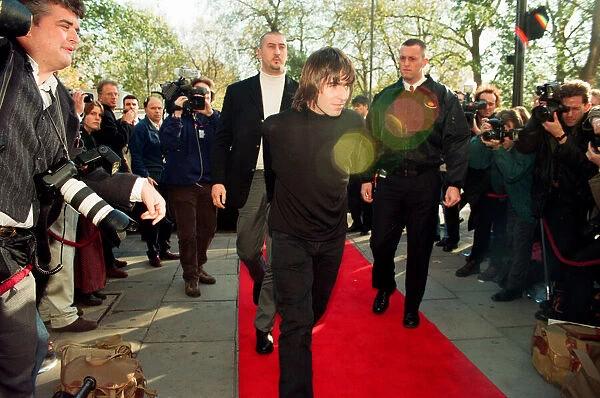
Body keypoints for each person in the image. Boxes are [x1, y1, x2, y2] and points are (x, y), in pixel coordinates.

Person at [0, 1, 165, 395]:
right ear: (24, 23)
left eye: (77, 27)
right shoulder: (4, 66)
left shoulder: (58, 98)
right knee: (25, 353)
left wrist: (131, 190)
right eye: (64, 25)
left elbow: (64, 173)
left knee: (28, 352)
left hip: (17, 253)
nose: (76, 36)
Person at [263, 46, 366, 398]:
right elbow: (273, 183)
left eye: (347, 85)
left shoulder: (353, 121)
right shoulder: (277, 127)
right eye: (334, 84)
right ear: (311, 83)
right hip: (290, 236)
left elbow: (356, 164)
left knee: (313, 312)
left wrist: (366, 179)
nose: (343, 94)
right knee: (297, 324)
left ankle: (295, 313)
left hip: (332, 236)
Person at [361, 38, 469, 328]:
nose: (406, 64)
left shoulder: (443, 96)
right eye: (402, 59)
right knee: (380, 241)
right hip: (390, 181)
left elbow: (457, 141)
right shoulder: (386, 96)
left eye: (412, 59)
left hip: (425, 182)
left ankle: (412, 305)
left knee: (420, 246)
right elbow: (371, 138)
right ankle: (385, 287)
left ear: (424, 61)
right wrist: (366, 177)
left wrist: (454, 183)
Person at [211, 31, 298, 354]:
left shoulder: (300, 91)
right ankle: (260, 276)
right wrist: (218, 180)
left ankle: (263, 327)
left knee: (277, 258)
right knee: (247, 248)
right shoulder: (238, 92)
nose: (277, 52)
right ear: (259, 52)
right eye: (271, 47)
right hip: (250, 180)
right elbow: (222, 140)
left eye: (282, 47)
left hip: (288, 183)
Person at [160, 77, 219, 296]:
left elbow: (224, 139)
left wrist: (210, 114)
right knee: (187, 233)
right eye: (196, 95)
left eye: (204, 96)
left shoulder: (211, 118)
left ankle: (199, 265)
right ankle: (190, 276)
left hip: (207, 184)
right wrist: (176, 113)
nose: (199, 100)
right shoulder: (176, 118)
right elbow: (167, 144)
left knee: (208, 228)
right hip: (182, 185)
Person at [130, 95, 178, 267]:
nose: (157, 111)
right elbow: (136, 155)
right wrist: (144, 176)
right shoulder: (141, 128)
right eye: (153, 108)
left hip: (167, 177)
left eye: (159, 108)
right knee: (153, 217)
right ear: (146, 109)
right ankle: (153, 252)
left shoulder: (165, 126)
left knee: (168, 217)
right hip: (151, 178)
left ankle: (165, 248)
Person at [96, 79, 135, 172]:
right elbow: (118, 141)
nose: (114, 97)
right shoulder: (104, 113)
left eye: (116, 94)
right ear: (100, 96)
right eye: (109, 94)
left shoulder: (108, 113)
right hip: (109, 167)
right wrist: (127, 123)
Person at [348, 95, 372, 235]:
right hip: (352, 166)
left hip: (366, 167)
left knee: (366, 198)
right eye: (354, 106)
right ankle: (357, 223)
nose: (356, 108)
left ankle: (367, 225)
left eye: (359, 106)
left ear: (366, 107)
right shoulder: (352, 123)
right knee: (353, 197)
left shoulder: (371, 123)